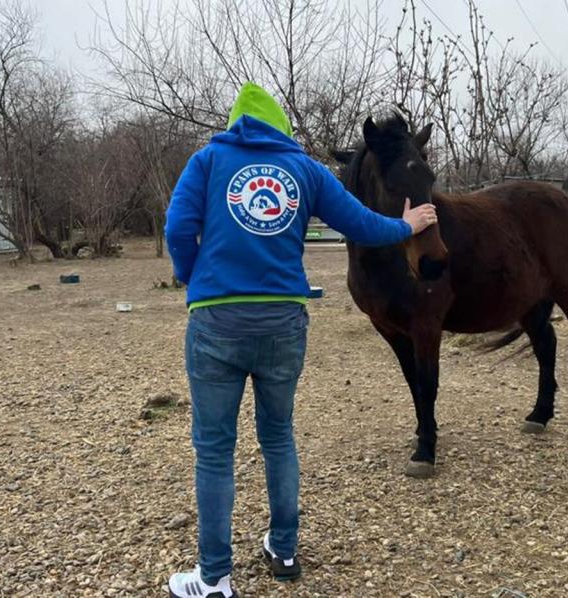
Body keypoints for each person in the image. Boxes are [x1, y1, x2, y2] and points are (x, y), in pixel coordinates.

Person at [164, 82, 438, 598]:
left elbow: (177, 228)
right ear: (281, 126)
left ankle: (215, 576)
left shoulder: (207, 161)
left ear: (237, 121)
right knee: (278, 436)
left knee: (215, 451)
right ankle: (284, 548)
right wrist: (406, 226)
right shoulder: (304, 169)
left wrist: (191, 274)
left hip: (216, 321)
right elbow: (359, 223)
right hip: (283, 323)